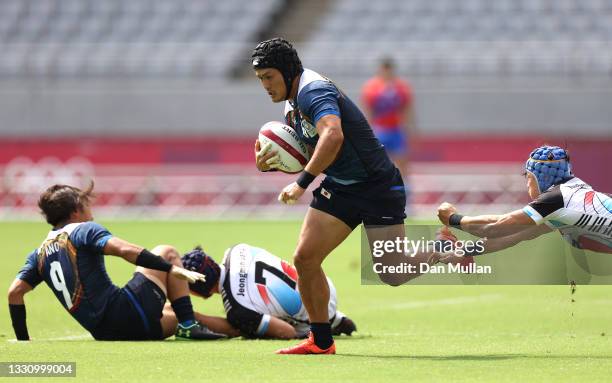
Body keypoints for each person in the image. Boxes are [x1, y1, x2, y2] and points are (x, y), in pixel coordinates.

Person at [252, 37, 419, 354]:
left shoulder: (314, 91)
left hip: (377, 187)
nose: (265, 85)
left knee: (393, 273)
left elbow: (333, 133)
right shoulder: (291, 104)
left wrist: (301, 183)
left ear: (288, 72)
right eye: (260, 79)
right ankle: (321, 341)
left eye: (268, 77)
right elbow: (312, 150)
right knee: (305, 258)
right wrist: (273, 164)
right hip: (342, 187)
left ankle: (440, 247)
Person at [7, 182, 226, 341]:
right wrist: (171, 268)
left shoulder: (39, 254)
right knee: (166, 251)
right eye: (86, 204)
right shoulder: (83, 230)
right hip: (128, 312)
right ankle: (193, 326)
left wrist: (23, 340)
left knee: (178, 311)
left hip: (105, 333)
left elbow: (14, 293)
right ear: (76, 210)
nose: (91, 213)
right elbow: (123, 250)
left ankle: (212, 325)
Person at [437, 145, 612, 256]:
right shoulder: (567, 199)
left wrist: (453, 218)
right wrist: (461, 251)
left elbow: (494, 227)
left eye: (527, 177)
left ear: (540, 177)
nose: (527, 183)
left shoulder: (556, 199)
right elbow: (513, 236)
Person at [180, 243, 357, 339]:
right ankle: (337, 320)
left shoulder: (236, 309)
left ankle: (330, 322)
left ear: (196, 291)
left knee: (257, 325)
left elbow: (286, 332)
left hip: (318, 310)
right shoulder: (238, 249)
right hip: (321, 282)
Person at [361, 57, 416, 183]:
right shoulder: (372, 87)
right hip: (380, 130)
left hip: (396, 129)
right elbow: (368, 111)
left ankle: (405, 193)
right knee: (378, 163)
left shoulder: (401, 87)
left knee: (402, 163)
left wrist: (410, 130)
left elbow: (407, 109)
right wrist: (367, 132)